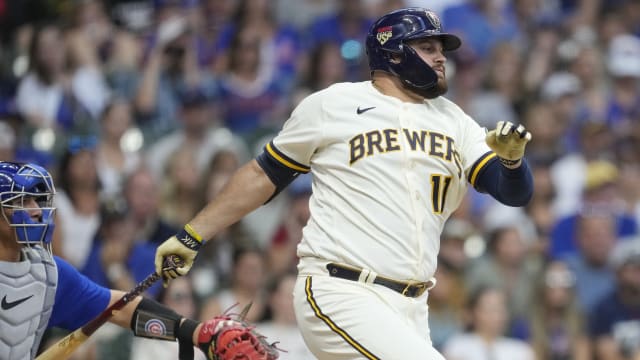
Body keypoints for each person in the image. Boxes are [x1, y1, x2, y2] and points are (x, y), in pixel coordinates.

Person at [155, 7, 533, 359]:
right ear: (394, 54)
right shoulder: (334, 104)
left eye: (441, 49)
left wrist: (513, 161)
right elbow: (262, 174)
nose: (440, 57)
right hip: (342, 289)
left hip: (412, 307)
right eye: (427, 46)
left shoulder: (456, 121)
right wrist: (193, 234)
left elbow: (513, 192)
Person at [0, 162, 272, 360]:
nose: (35, 211)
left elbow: (121, 308)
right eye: (21, 202)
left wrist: (196, 332)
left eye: (36, 200)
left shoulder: (48, 274)